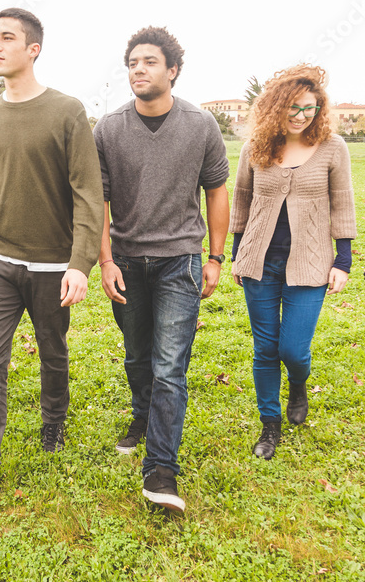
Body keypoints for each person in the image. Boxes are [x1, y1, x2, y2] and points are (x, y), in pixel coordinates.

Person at [0, 8, 103, 515]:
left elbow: (88, 194)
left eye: (6, 37)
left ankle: (54, 419)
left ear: (33, 49)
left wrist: (80, 263)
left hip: (53, 266)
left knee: (53, 351)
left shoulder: (67, 111)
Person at [95, 26, 229, 513]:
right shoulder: (108, 128)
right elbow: (97, 201)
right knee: (137, 356)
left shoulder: (201, 125)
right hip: (126, 261)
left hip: (181, 260)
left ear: (172, 70)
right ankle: (142, 415)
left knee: (170, 365)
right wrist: (105, 260)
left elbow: (216, 190)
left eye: (149, 62)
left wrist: (216, 256)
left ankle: (161, 470)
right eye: (133, 62)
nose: (138, 69)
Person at [230, 64, 356, 460]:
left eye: (309, 108)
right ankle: (270, 424)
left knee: (293, 350)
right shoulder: (256, 148)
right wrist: (237, 254)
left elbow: (343, 203)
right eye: (293, 108)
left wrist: (343, 260)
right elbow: (241, 201)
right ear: (275, 107)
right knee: (265, 349)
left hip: (310, 264)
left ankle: (298, 384)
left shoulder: (333, 148)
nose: (301, 116)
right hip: (260, 263)